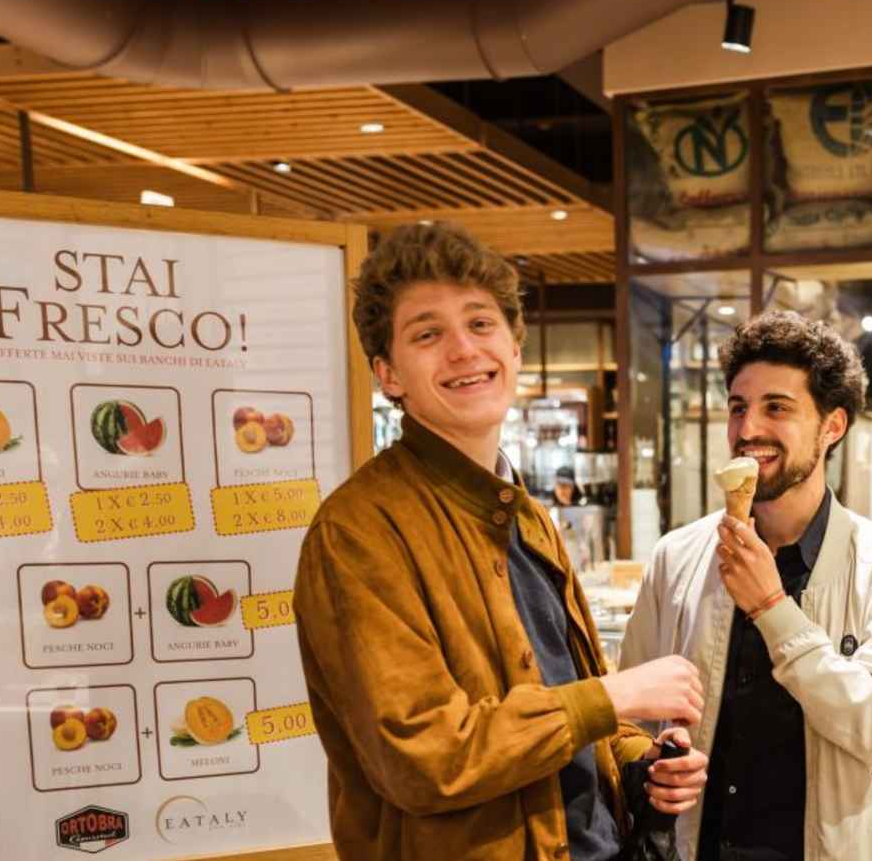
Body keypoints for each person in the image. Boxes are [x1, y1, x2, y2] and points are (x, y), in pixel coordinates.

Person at [293, 223, 709, 861]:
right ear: (388, 374)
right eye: (427, 334)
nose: (463, 349)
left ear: (515, 347)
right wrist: (614, 696)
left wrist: (637, 760)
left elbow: (568, 703)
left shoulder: (529, 516)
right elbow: (425, 758)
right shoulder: (359, 531)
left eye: (481, 324)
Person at [621, 310, 872, 861]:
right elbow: (629, 717)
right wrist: (649, 764)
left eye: (777, 408)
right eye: (738, 408)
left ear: (832, 426)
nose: (748, 431)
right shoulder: (678, 557)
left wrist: (771, 607)